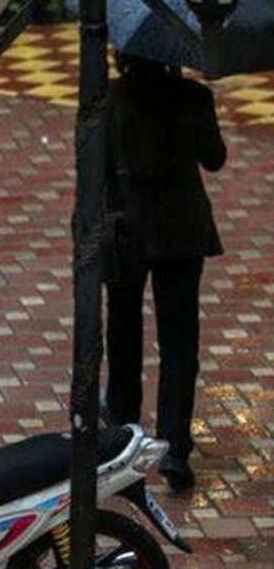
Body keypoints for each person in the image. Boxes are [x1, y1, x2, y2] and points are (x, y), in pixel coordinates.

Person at [103, 52, 226, 491]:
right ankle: (174, 448)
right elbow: (214, 158)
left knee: (123, 333)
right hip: (182, 231)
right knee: (179, 340)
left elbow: (95, 167)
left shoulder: (110, 99)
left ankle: (121, 433)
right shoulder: (193, 97)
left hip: (127, 230)